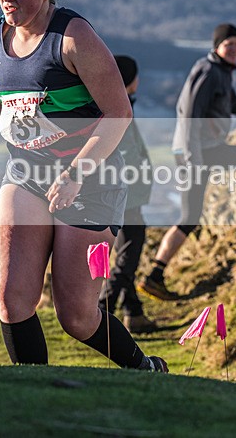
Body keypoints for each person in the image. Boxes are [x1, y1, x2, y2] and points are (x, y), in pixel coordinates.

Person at [0, 0, 167, 372]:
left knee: (77, 317)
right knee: (12, 299)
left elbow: (119, 112)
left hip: (91, 179)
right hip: (27, 174)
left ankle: (144, 368)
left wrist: (75, 172)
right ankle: (35, 390)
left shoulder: (73, 38)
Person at [138, 23, 236, 301]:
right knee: (191, 215)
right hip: (196, 153)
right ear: (217, 47)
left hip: (208, 149)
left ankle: (155, 275)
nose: (235, 49)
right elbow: (189, 115)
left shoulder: (221, 73)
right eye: (229, 44)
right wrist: (192, 160)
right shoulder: (208, 71)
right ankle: (154, 275)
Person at [98, 55, 158, 333]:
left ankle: (133, 313)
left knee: (124, 250)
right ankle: (102, 307)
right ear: (128, 80)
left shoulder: (113, 104)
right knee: (130, 250)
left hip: (122, 190)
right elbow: (124, 152)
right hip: (124, 191)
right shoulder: (117, 109)